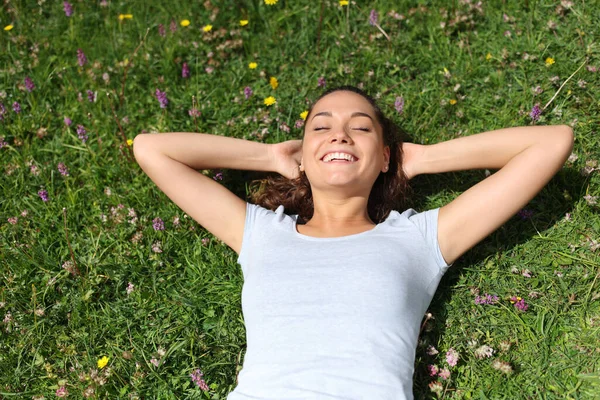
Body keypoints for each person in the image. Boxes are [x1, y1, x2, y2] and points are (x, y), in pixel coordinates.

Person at [132, 86, 574, 399]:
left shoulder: (418, 239)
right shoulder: (260, 233)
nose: (339, 135)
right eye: (320, 129)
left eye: (360, 129)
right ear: (302, 154)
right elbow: (151, 149)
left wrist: (418, 158)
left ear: (384, 156)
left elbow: (551, 141)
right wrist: (269, 157)